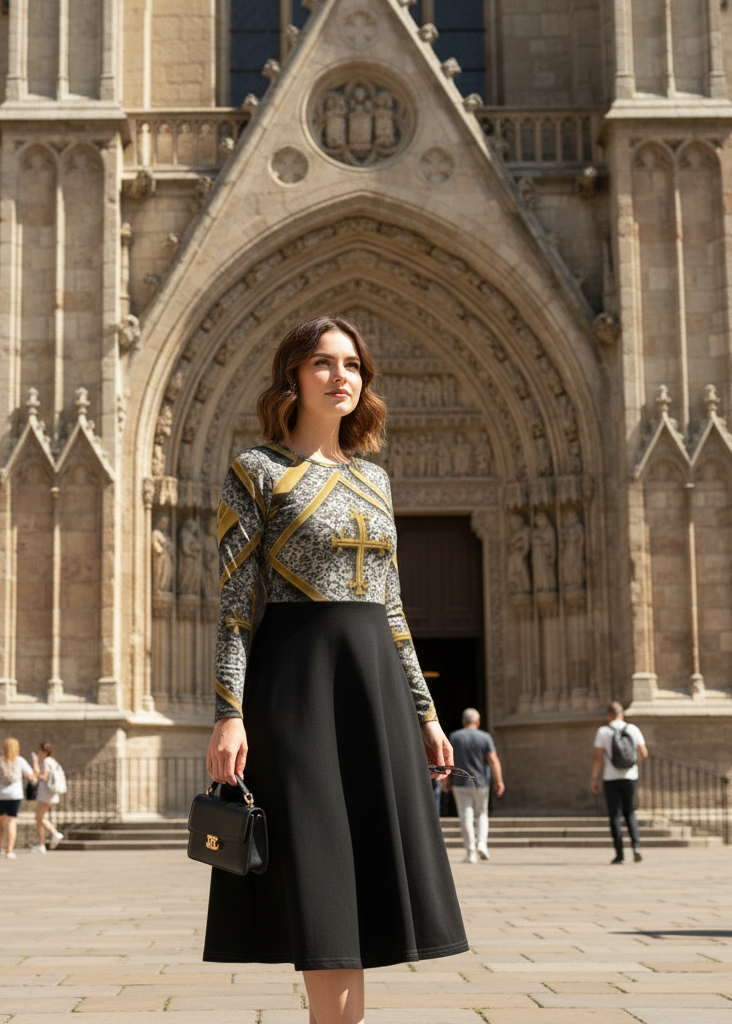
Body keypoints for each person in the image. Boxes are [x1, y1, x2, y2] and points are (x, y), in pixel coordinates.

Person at [204, 316, 468, 1024]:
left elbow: (394, 607)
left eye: (352, 364)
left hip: (373, 688)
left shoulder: (374, 479)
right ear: (292, 376)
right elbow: (233, 605)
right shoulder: (255, 471)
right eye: (322, 362)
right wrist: (229, 712)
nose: (340, 376)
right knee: (320, 880)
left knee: (366, 888)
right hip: (298, 688)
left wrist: (426, 713)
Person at [443, 708, 505, 863]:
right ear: (477, 722)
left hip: (460, 783)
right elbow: (493, 760)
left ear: (463, 722)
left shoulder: (454, 737)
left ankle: (470, 852)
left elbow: (447, 760)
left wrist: (446, 780)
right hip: (480, 783)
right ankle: (482, 844)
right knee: (482, 813)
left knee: (465, 816)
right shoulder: (485, 737)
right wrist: (499, 780)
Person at [591, 701, 649, 864]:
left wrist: (594, 777)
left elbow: (597, 757)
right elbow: (644, 753)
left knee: (615, 814)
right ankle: (636, 847)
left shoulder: (603, 731)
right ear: (621, 714)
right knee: (630, 812)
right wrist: (631, 762)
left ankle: (619, 854)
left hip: (611, 777)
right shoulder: (633, 729)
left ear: (609, 715)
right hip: (630, 776)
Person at [0, 737, 36, 859]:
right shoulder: (20, 761)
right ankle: (10, 850)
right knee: (11, 821)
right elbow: (32, 777)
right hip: (15, 795)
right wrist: (36, 764)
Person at [30, 742, 65, 853]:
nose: (39, 754)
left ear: (45, 752)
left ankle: (55, 833)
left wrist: (35, 764)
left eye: (40, 751)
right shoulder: (54, 762)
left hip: (46, 794)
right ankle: (41, 845)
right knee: (40, 819)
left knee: (39, 817)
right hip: (50, 794)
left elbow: (43, 776)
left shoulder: (46, 762)